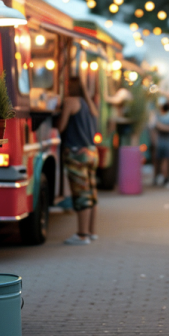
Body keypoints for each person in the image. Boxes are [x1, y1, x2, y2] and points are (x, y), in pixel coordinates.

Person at [58, 76, 100, 245]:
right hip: (91, 152)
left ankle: (82, 234)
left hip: (76, 154)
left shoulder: (70, 102)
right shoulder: (90, 105)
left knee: (81, 194)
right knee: (91, 193)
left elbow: (61, 126)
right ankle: (91, 232)